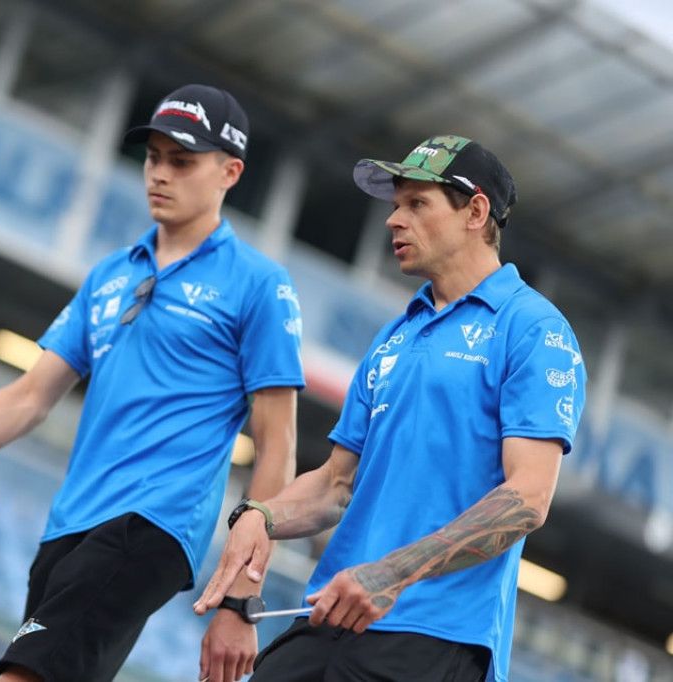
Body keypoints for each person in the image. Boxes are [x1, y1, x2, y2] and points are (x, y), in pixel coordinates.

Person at [0, 84, 306, 682]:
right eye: (153, 158)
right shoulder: (109, 274)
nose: (160, 174)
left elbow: (277, 444)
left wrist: (240, 598)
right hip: (69, 525)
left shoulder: (259, 283)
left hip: (152, 523)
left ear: (230, 172)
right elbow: (29, 396)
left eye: (182, 162)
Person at [194, 134, 587, 682]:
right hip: (329, 616)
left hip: (437, 638)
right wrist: (261, 515)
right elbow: (335, 484)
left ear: (475, 213)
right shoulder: (396, 335)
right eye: (397, 204)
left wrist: (392, 574)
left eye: (417, 204)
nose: (393, 220)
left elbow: (527, 500)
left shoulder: (535, 330)